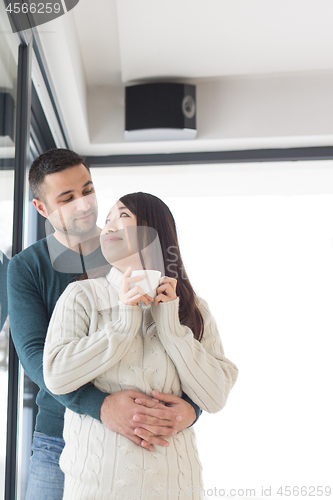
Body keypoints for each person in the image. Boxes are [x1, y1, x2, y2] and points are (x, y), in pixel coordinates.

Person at [7, 149, 201, 500]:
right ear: (41, 209)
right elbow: (36, 356)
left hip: (146, 438)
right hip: (57, 439)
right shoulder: (26, 267)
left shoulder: (133, 246)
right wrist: (100, 406)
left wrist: (193, 407)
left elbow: (179, 329)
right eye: (66, 198)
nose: (83, 205)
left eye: (87, 190)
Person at [43, 192, 239, 499]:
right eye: (105, 220)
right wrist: (124, 323)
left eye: (121, 218)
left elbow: (214, 396)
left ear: (153, 230)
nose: (107, 228)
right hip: (95, 488)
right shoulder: (81, 295)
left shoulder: (193, 308)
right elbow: (56, 375)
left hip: (177, 488)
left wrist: (171, 327)